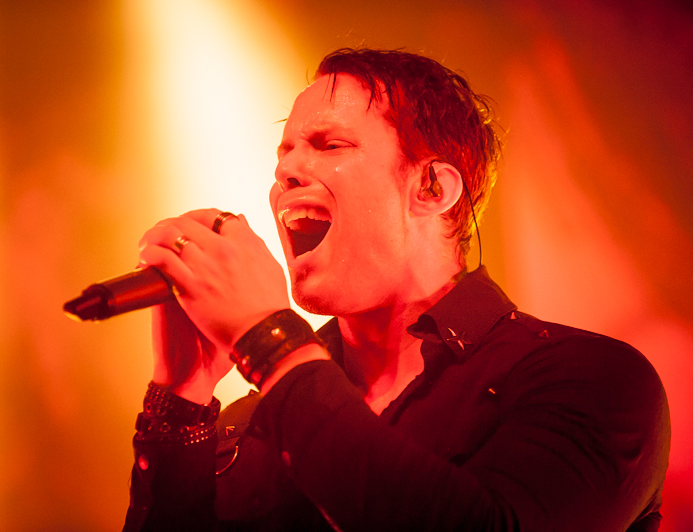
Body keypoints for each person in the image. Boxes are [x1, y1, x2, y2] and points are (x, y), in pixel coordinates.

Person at [122, 49, 670, 531]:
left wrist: (270, 340)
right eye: (283, 153)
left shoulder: (594, 379)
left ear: (432, 188)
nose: (286, 171)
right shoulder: (256, 423)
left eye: (329, 144)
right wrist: (182, 398)